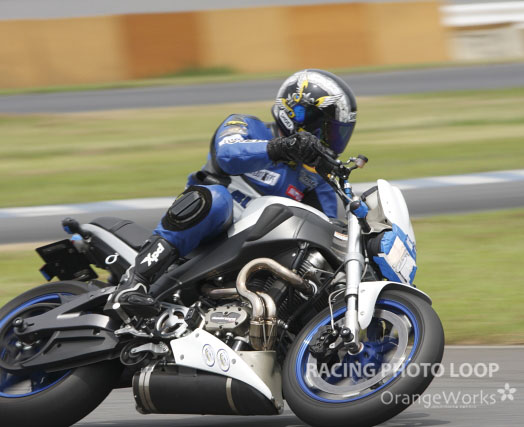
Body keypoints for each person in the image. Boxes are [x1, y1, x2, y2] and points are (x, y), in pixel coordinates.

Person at [108, 69, 358, 306]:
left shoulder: (314, 177)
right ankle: (136, 280)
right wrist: (281, 148)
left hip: (256, 251)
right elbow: (228, 154)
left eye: (337, 133)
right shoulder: (245, 124)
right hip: (207, 233)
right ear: (298, 114)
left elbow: (326, 228)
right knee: (216, 199)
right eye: (326, 130)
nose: (330, 141)